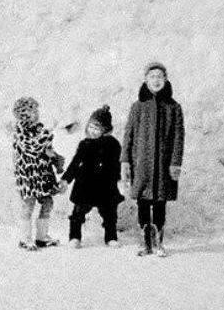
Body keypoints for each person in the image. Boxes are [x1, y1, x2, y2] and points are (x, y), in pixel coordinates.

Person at [121, 61, 184, 257]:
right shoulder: (138, 107)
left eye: (160, 76)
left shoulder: (174, 107)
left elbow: (178, 137)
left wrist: (175, 162)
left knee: (159, 202)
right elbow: (128, 134)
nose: (156, 80)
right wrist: (125, 160)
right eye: (152, 76)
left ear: (165, 80)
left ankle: (158, 242)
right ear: (146, 80)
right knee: (142, 201)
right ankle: (144, 242)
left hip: (164, 165)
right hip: (141, 164)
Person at [59, 105, 124, 248]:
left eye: (97, 128)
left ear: (105, 130)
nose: (92, 131)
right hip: (85, 184)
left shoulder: (113, 145)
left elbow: (116, 164)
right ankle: (75, 237)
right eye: (91, 127)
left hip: (106, 185)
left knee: (109, 214)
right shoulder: (85, 144)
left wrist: (119, 180)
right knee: (78, 212)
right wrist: (66, 179)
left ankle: (111, 237)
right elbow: (75, 163)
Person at [11, 96, 62, 251]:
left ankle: (41, 237)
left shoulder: (38, 129)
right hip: (28, 175)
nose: (37, 113)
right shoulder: (20, 131)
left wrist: (54, 156)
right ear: (25, 114)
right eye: (34, 111)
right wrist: (47, 135)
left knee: (48, 202)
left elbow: (45, 148)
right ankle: (25, 239)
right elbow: (32, 148)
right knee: (29, 205)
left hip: (42, 174)